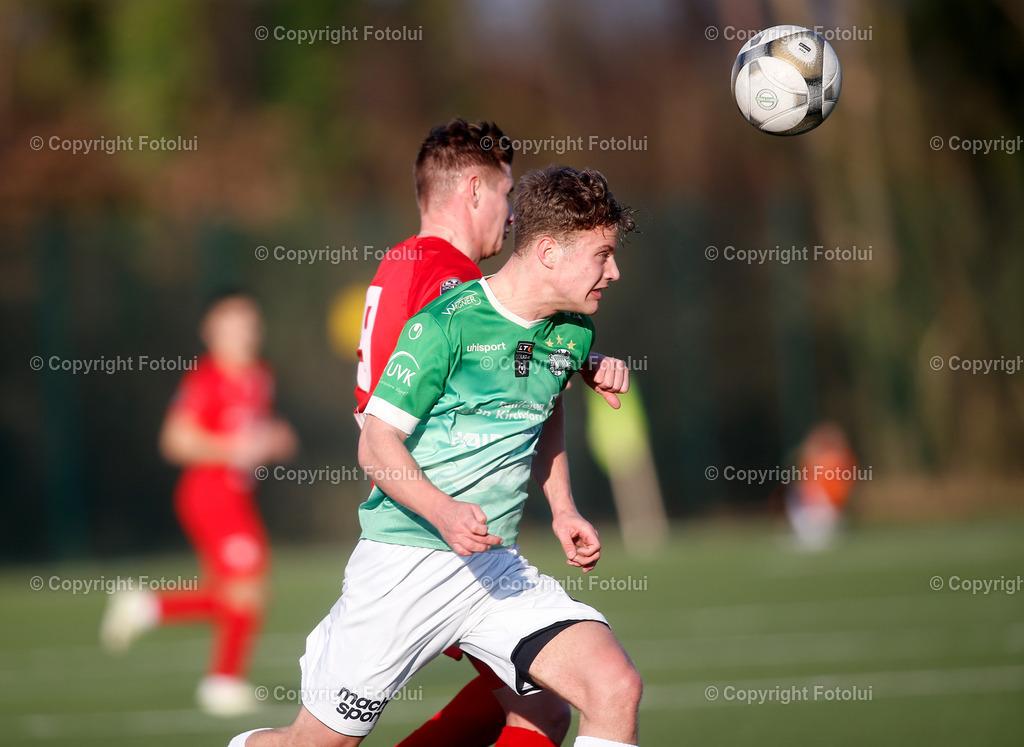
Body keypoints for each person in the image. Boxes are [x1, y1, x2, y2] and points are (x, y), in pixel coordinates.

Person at [230, 165, 643, 747]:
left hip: (494, 567)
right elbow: (375, 444)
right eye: (603, 255)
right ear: (548, 251)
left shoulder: (572, 334)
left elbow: (546, 406)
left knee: (612, 687)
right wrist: (443, 510)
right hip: (407, 562)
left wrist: (563, 508)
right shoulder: (445, 324)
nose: (614, 271)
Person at [355, 118, 630, 747]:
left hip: (446, 519)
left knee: (552, 705)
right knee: (550, 704)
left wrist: (580, 361)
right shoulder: (448, 281)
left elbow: (516, 370)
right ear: (475, 190)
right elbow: (474, 370)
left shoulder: (405, 261)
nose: (512, 219)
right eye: (507, 196)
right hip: (429, 529)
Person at [100, 289, 297, 716]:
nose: (242, 332)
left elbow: (252, 435)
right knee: (247, 588)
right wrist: (237, 447)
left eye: (249, 321)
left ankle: (147, 606)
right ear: (209, 330)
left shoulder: (261, 374)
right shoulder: (205, 379)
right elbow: (175, 440)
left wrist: (271, 439)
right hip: (209, 495)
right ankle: (222, 683)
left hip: (237, 496)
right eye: (231, 322)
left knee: (240, 592)